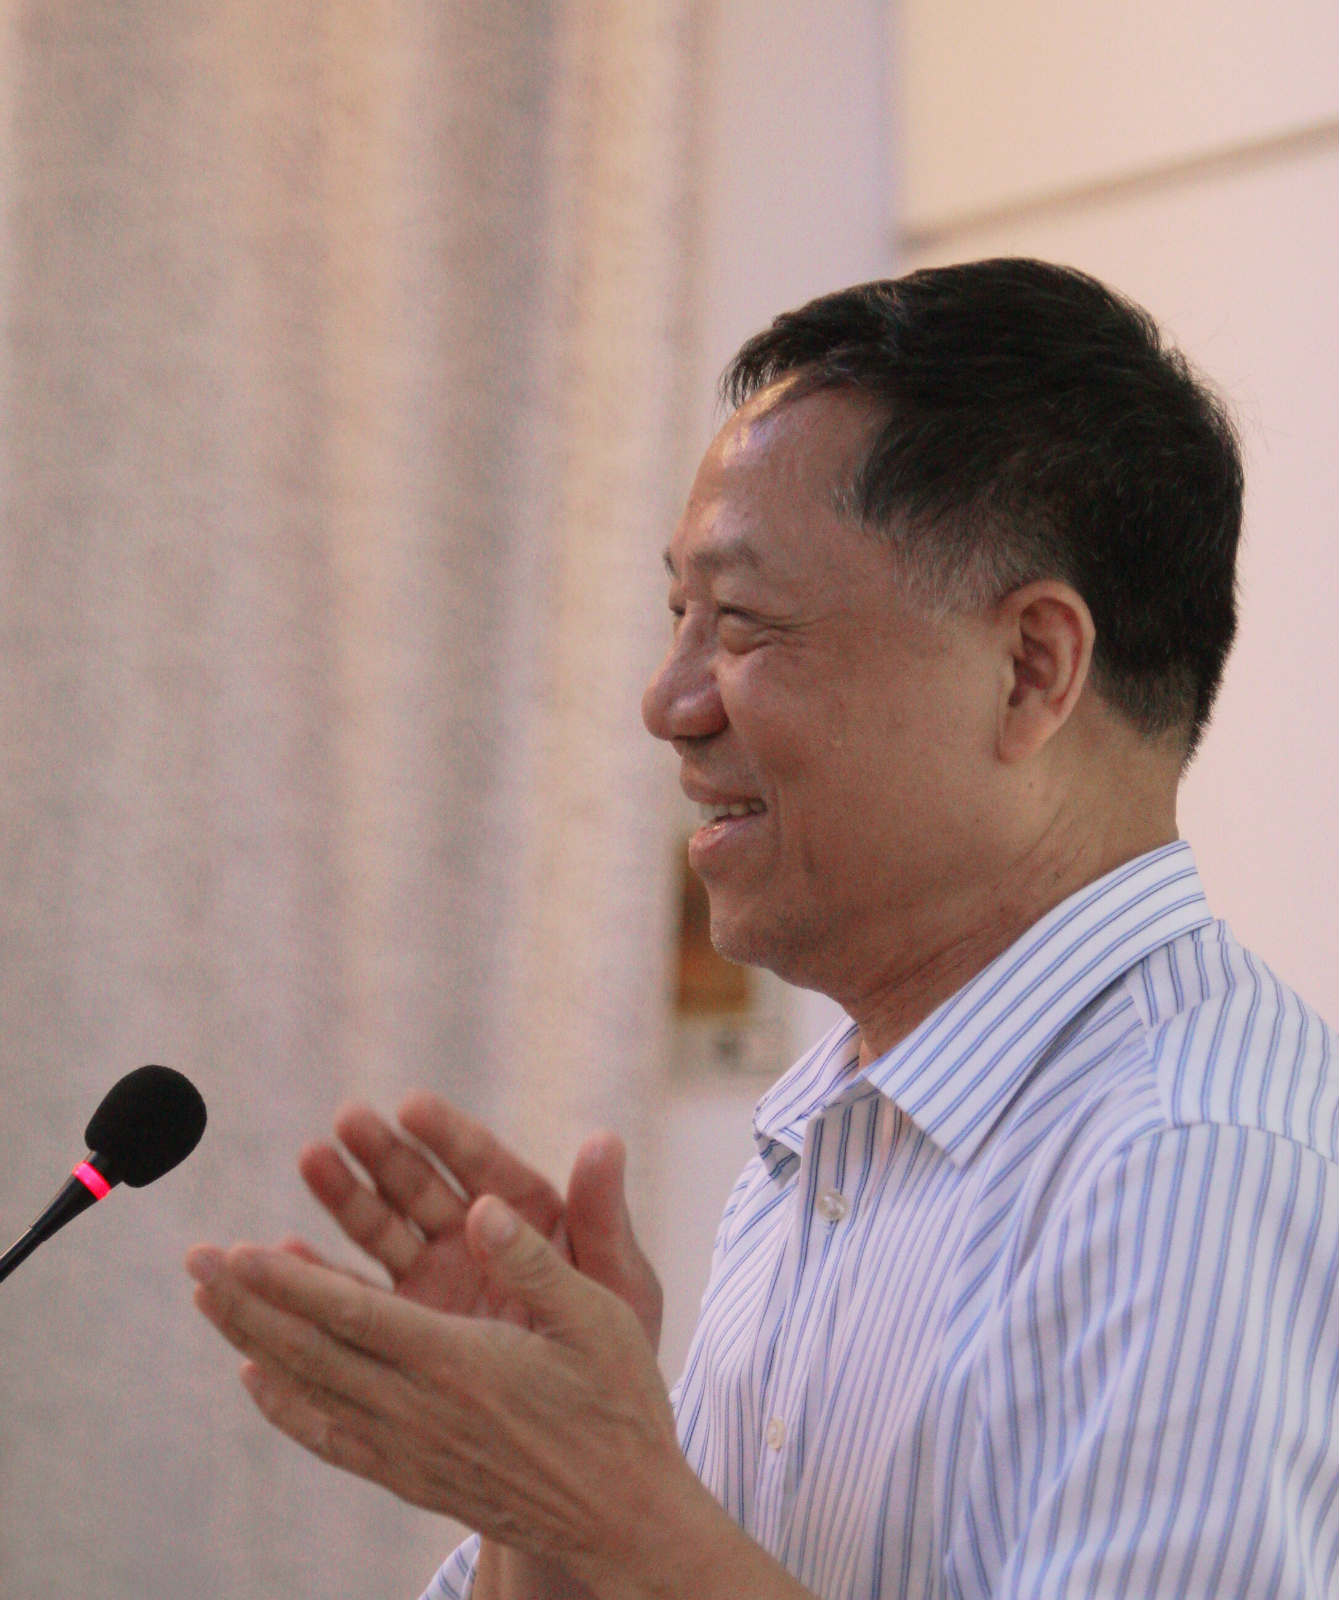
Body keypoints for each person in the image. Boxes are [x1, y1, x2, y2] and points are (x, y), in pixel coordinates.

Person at [188, 259, 1338, 1600]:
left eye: (740, 623)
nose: (668, 702)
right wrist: (537, 1504)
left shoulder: (1194, 1159)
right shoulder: (844, 1130)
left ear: (1031, 669)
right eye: (676, 617)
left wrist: (616, 1511)